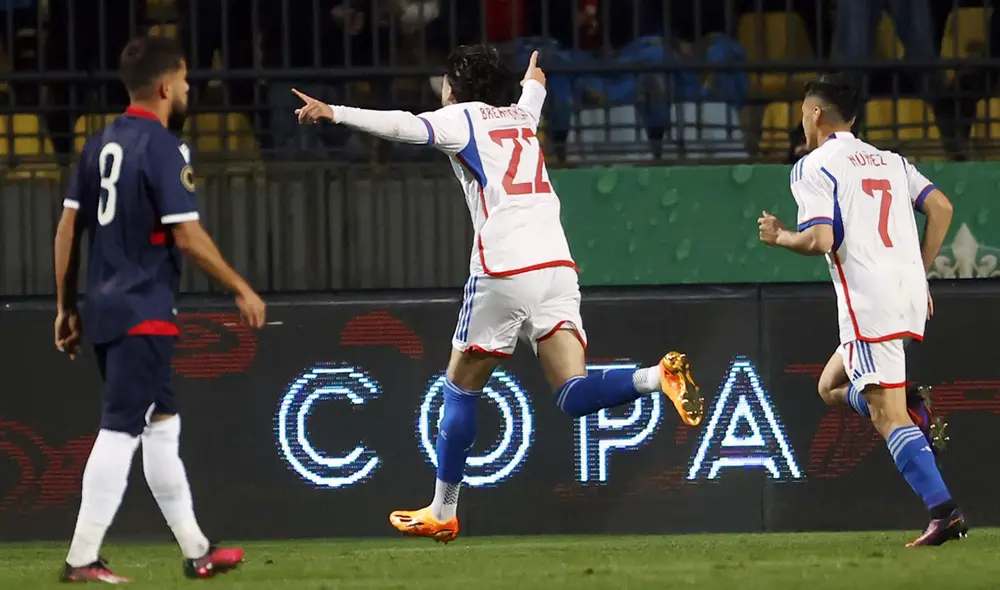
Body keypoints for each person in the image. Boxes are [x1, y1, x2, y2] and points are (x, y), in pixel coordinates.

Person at [294, 45, 704, 543]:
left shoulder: (459, 118)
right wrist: (534, 84)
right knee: (571, 393)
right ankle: (654, 377)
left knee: (460, 384)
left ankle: (443, 510)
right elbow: (530, 102)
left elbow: (405, 126)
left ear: (457, 88)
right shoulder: (519, 117)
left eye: (444, 83)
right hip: (557, 264)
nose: (440, 93)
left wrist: (333, 111)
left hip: (504, 264)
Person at [53, 36, 267, 582]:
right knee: (122, 428)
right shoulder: (165, 147)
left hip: (104, 309)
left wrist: (64, 306)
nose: (190, 90)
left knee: (161, 426)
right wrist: (241, 287)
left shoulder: (98, 143)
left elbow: (68, 229)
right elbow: (189, 238)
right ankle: (81, 557)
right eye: (188, 81)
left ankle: (197, 551)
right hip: (143, 308)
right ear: (167, 85)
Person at [757, 73, 963, 547]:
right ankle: (907, 407)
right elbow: (943, 209)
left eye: (802, 115)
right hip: (905, 296)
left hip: (868, 304)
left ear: (814, 114)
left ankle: (944, 511)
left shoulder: (813, 165)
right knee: (829, 386)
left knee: (886, 418)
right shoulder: (892, 161)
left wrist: (780, 236)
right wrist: (919, 272)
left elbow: (820, 239)